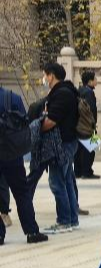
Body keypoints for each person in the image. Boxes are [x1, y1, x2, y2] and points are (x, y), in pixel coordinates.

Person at [34, 63, 81, 233]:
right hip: (68, 141)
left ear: (51, 75)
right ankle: (72, 219)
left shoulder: (61, 94)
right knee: (66, 181)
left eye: (45, 75)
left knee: (56, 182)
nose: (44, 78)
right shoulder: (66, 91)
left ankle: (64, 221)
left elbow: (51, 121)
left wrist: (35, 127)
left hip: (61, 144)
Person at [0, 85, 48, 245]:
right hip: (12, 154)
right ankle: (32, 232)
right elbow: (24, 123)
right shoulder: (12, 97)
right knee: (22, 193)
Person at [75, 71, 99, 179]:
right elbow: (91, 110)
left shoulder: (79, 90)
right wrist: (93, 123)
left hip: (79, 124)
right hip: (88, 125)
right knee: (91, 148)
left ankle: (78, 171)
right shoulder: (89, 93)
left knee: (79, 149)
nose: (96, 81)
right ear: (90, 81)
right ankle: (87, 171)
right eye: (95, 79)